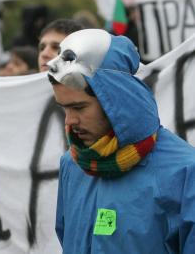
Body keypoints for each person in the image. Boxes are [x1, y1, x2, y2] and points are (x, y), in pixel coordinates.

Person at [47, 29, 195, 253]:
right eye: (64, 108)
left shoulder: (184, 171)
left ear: (117, 99)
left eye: (79, 107)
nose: (70, 121)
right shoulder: (73, 164)